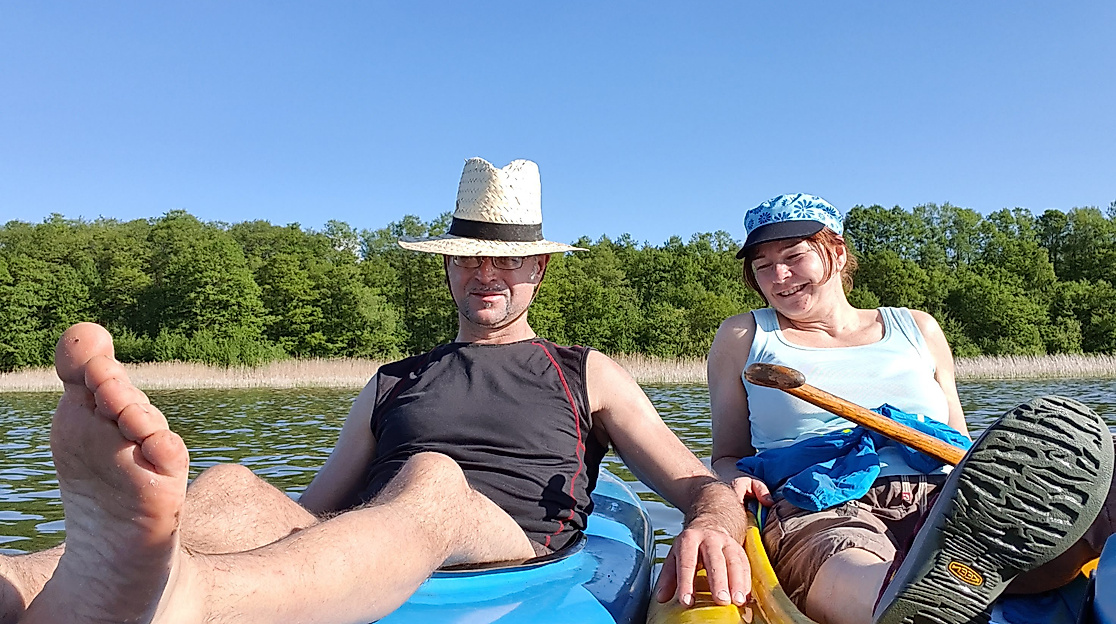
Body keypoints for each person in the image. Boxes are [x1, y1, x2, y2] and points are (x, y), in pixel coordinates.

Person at [0, 158, 751, 623]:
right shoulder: (394, 380)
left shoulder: (584, 370)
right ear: (449, 268)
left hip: (508, 548)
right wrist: (259, 520)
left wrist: (714, 518)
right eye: (468, 259)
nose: (485, 273)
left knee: (434, 479)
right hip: (389, 539)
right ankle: (28, 586)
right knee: (230, 485)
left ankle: (193, 598)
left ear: (538, 270)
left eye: (506, 260)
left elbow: (693, 482)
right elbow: (313, 510)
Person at [707, 193, 1116, 624]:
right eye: (762, 266)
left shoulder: (917, 326)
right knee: (849, 555)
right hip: (821, 497)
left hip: (945, 493)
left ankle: (992, 567)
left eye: (794, 256)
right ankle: (906, 602)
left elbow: (960, 438)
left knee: (1104, 494)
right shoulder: (744, 335)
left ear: (838, 253)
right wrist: (735, 480)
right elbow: (726, 456)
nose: (780, 275)